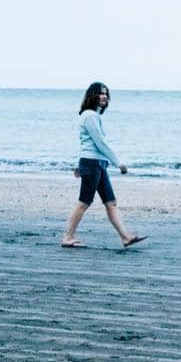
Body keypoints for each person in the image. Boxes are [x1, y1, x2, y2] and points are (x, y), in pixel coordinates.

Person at [61, 82, 146, 249]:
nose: (104, 96)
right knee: (84, 202)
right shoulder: (89, 115)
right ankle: (68, 237)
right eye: (101, 93)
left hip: (98, 164)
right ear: (92, 95)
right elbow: (99, 143)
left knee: (110, 202)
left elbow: (89, 143)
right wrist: (118, 162)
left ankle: (125, 237)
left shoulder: (93, 116)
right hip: (92, 163)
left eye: (106, 94)